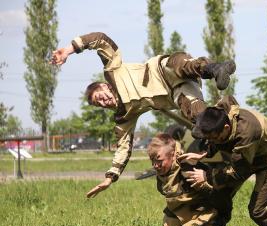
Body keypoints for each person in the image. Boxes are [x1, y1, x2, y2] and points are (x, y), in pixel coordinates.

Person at [50, 32, 236, 197]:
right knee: (200, 120)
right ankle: (233, 133)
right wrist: (110, 177)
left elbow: (100, 40)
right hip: (177, 92)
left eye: (101, 96)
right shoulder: (124, 115)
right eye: (99, 104)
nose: (103, 102)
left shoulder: (112, 71)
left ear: (105, 86)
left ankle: (215, 69)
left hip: (162, 71)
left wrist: (68, 50)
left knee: (179, 65)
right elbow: (123, 148)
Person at [180, 96, 267, 226]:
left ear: (226, 128)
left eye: (213, 137)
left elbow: (238, 171)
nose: (211, 140)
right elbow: (215, 139)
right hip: (246, 155)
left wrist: (207, 176)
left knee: (258, 211)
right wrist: (204, 152)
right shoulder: (216, 115)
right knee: (218, 193)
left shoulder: (247, 132)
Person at [147, 133, 227, 226]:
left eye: (159, 160)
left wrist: (220, 219)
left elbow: (219, 197)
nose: (155, 165)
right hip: (178, 215)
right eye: (152, 160)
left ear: (173, 155)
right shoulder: (164, 173)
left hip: (203, 216)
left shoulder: (189, 171)